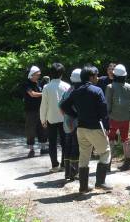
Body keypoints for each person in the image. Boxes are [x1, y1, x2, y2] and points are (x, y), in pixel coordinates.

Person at [60, 65, 112, 194]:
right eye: (96, 75)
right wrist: (107, 126)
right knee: (105, 152)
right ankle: (100, 182)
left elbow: (63, 105)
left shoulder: (75, 91)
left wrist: (76, 115)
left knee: (84, 155)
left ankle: (83, 187)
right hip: (94, 127)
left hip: (81, 128)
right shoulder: (97, 90)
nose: (98, 77)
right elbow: (103, 110)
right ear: (91, 77)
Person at [40, 62, 70, 172]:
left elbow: (44, 105)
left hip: (51, 118)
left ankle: (54, 165)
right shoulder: (67, 86)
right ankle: (64, 164)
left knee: (52, 143)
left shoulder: (46, 87)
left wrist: (43, 119)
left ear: (51, 74)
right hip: (64, 118)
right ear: (62, 73)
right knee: (65, 142)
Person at [106, 64, 130, 171]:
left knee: (110, 139)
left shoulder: (110, 87)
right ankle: (127, 163)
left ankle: (107, 163)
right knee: (125, 139)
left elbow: (108, 104)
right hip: (125, 118)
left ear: (114, 75)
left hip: (112, 118)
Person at [59, 68, 82, 182]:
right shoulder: (78, 91)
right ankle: (74, 172)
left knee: (67, 146)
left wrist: (66, 117)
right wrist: (75, 117)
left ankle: (67, 173)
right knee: (75, 147)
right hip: (76, 123)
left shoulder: (68, 90)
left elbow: (61, 106)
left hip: (67, 124)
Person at [24, 66, 48, 158]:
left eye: (39, 75)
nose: (38, 76)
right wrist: (45, 93)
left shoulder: (39, 83)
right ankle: (31, 149)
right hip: (30, 111)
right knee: (30, 129)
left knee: (43, 128)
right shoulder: (26, 84)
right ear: (31, 75)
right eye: (37, 75)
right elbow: (32, 94)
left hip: (41, 109)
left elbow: (45, 89)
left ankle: (43, 148)